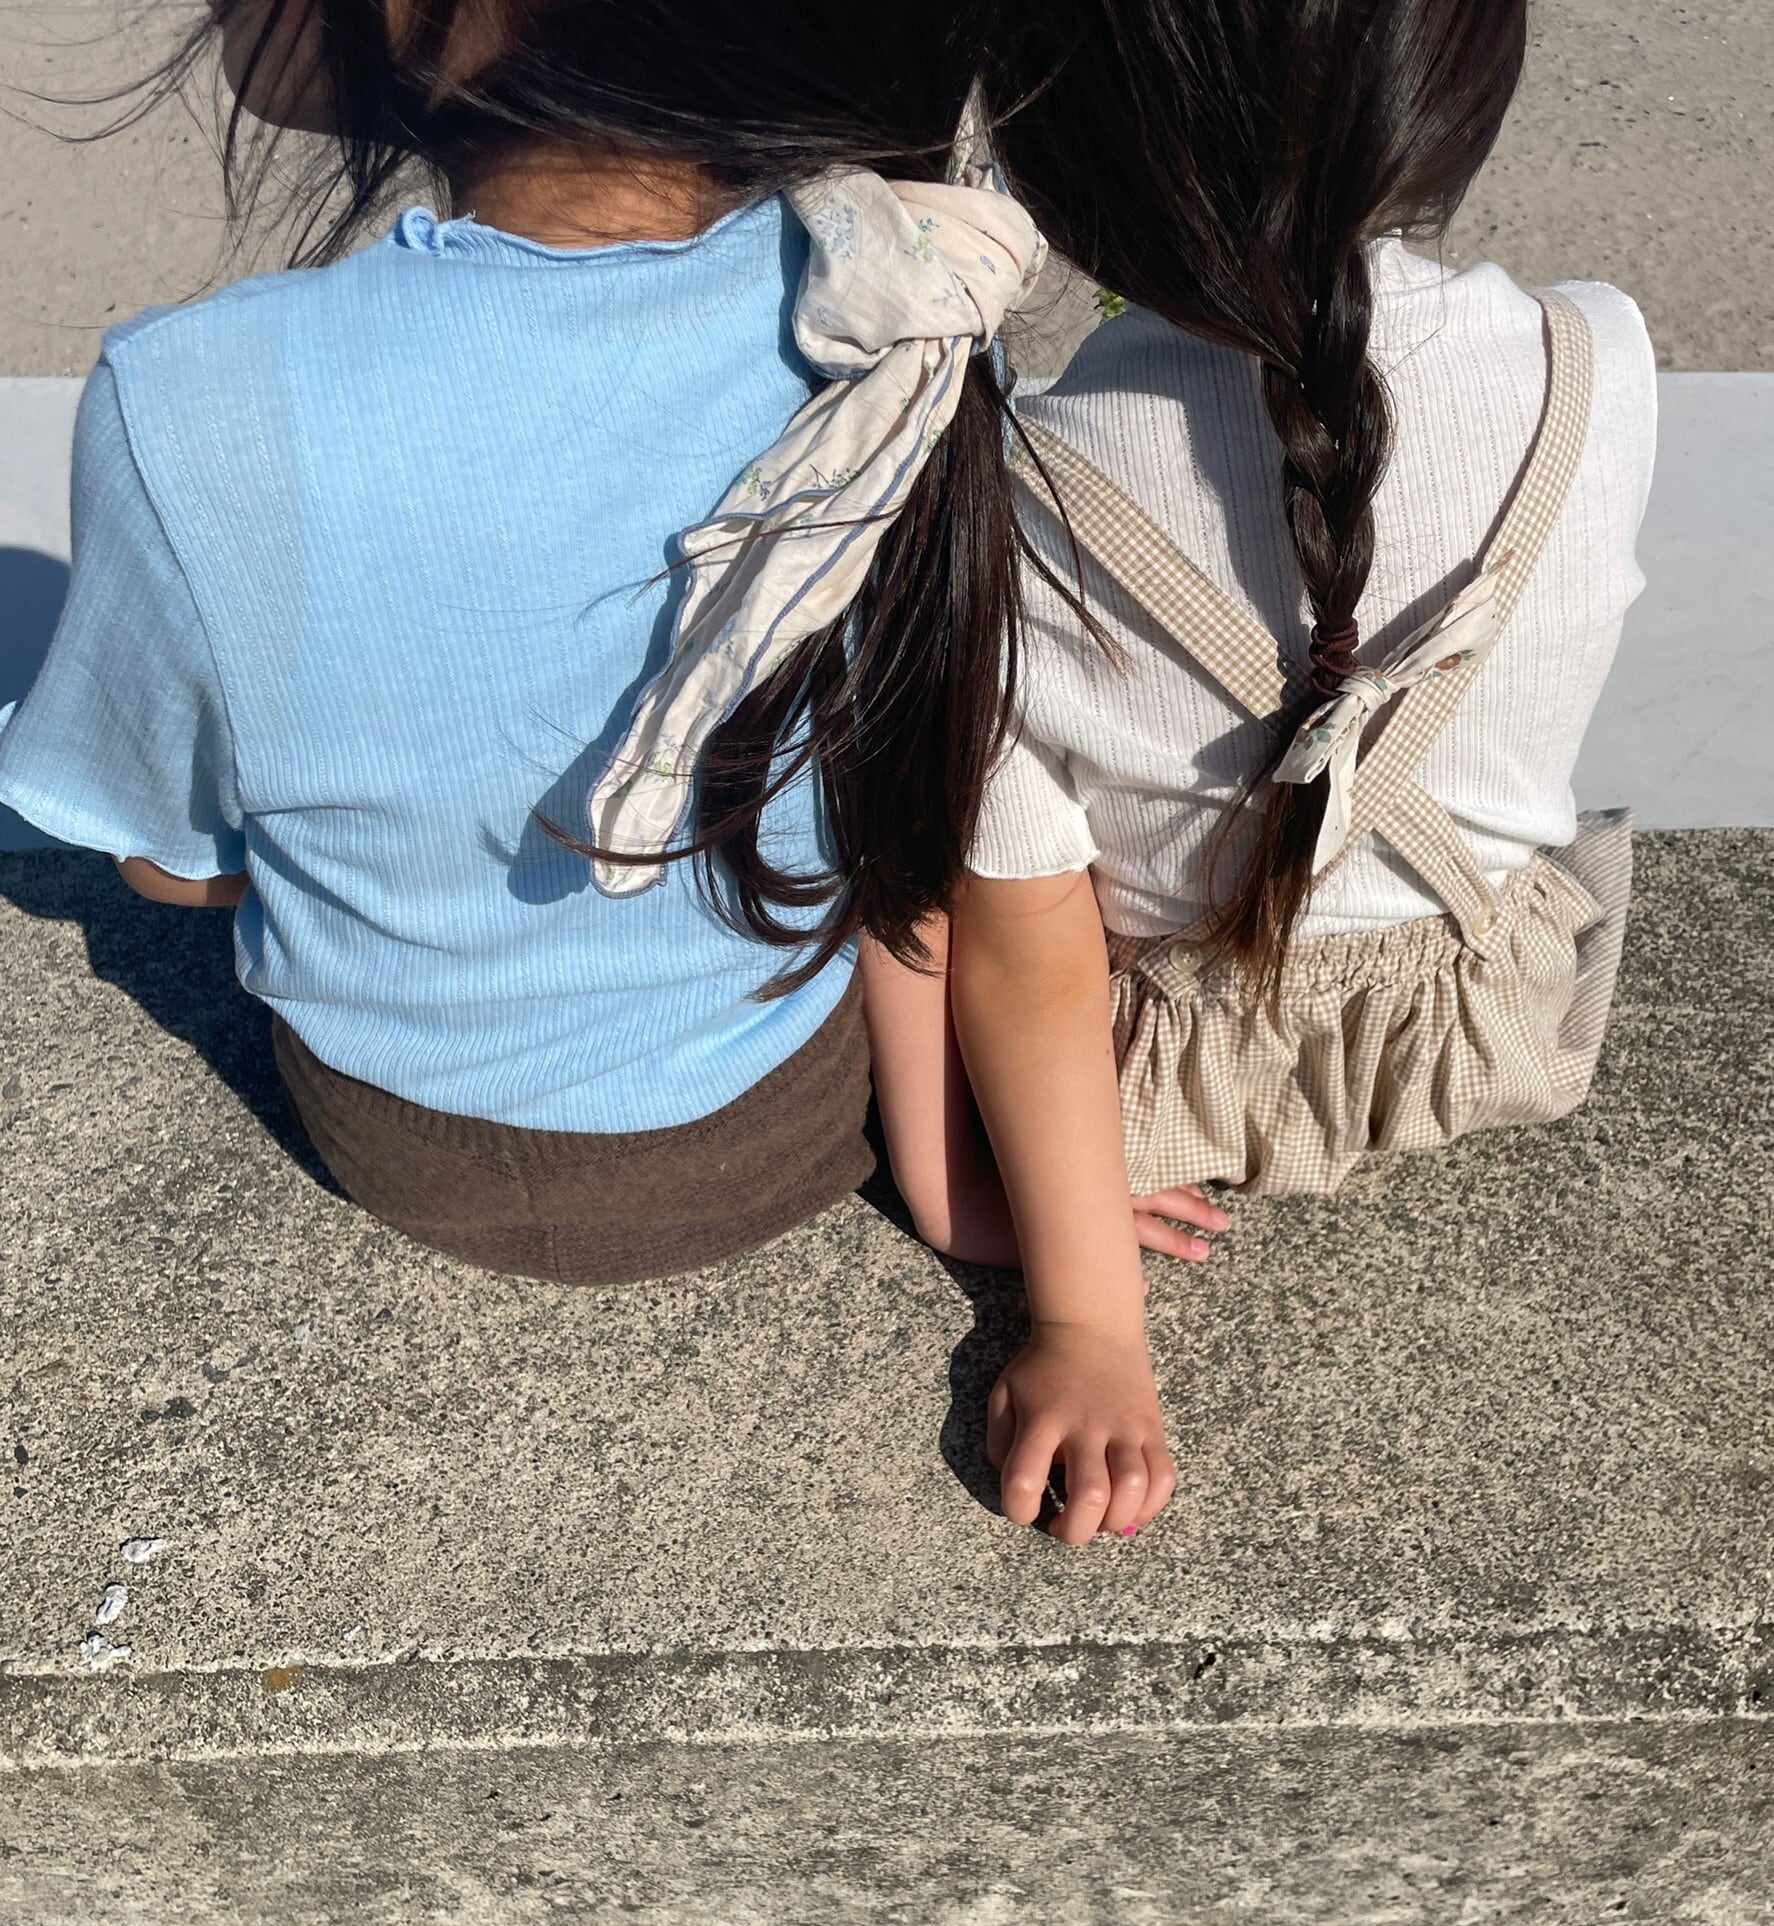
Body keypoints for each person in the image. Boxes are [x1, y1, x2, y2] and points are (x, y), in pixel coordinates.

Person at [0, 0, 1048, 1284]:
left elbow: (166, 866)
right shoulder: (904, 309)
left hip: (399, 1142)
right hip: (789, 1110)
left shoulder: (189, 395)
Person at [863, 0, 1655, 1544]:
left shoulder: (1017, 484)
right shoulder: (1595, 358)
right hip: (1468, 1024)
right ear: (1458, 89)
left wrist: (1081, 1316)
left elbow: (1020, 938)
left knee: (878, 750)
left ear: (1049, 139)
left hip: (1143, 1076)